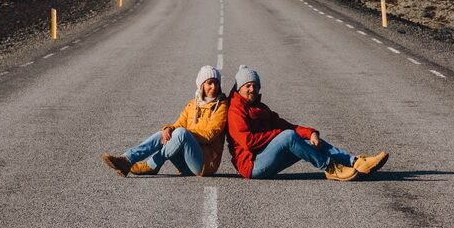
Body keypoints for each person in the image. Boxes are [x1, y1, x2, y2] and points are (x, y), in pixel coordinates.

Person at [225, 65, 386, 181]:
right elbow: (248, 142)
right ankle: (330, 168)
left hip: (264, 156)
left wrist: (310, 133)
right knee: (288, 137)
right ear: (239, 88)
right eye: (247, 86)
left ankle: (355, 161)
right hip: (252, 166)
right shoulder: (235, 111)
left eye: (255, 85)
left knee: (306, 139)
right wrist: (279, 135)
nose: (252, 89)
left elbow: (285, 125)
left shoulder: (260, 107)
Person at [103, 65, 228, 177]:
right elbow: (179, 124)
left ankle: (152, 165)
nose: (214, 87)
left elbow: (209, 135)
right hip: (185, 163)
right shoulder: (193, 104)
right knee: (162, 135)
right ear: (201, 85)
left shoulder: (221, 106)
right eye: (209, 83)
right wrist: (169, 129)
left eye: (216, 83)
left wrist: (183, 132)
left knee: (181, 133)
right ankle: (127, 160)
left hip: (204, 164)